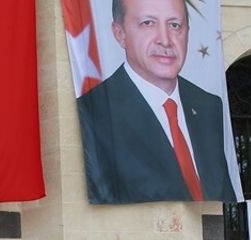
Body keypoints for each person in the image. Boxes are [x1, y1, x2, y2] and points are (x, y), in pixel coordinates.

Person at [76, 0, 236, 204]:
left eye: (175, 25)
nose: (165, 40)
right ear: (120, 34)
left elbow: (223, 198)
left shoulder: (208, 105)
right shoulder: (93, 111)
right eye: (148, 23)